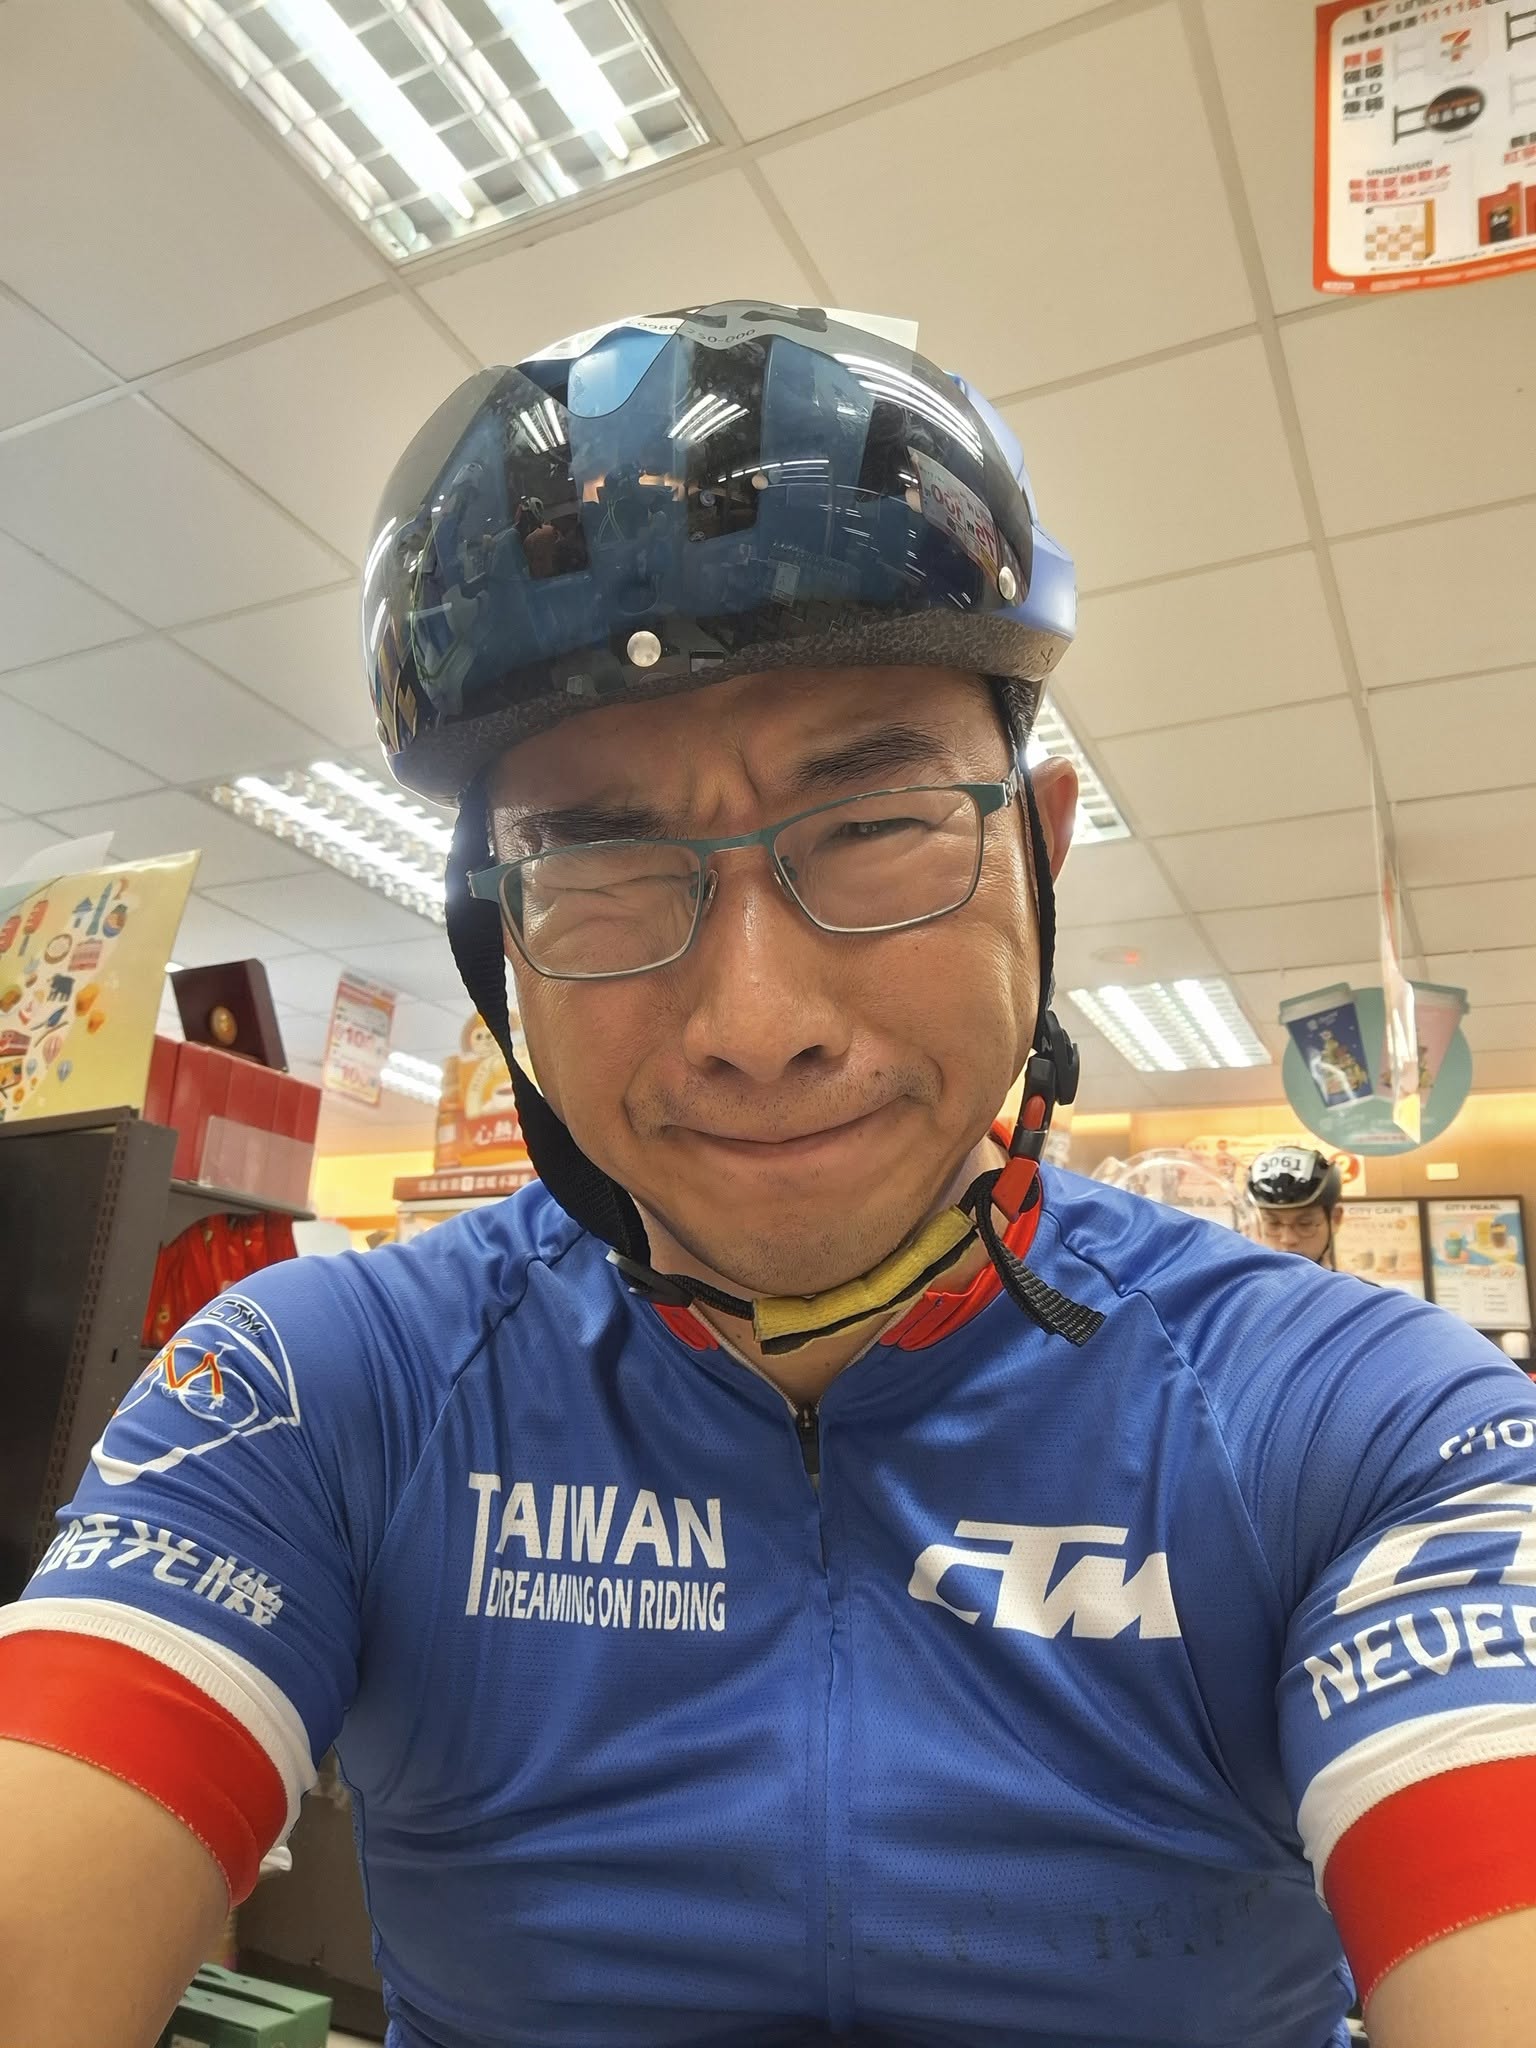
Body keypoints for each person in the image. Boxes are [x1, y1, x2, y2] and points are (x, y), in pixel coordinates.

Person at [2, 303, 1535, 2048]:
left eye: (871, 824)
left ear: (1038, 859)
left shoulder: (1365, 1419)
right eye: (601, 862)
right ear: (497, 945)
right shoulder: (319, 1390)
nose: (756, 1024)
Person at [1247, 1146, 1346, 1268]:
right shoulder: (1237, 1280)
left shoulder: (1354, 1282)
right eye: (1273, 1223)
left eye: (1305, 1224)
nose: (1287, 1239)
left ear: (1335, 1218)